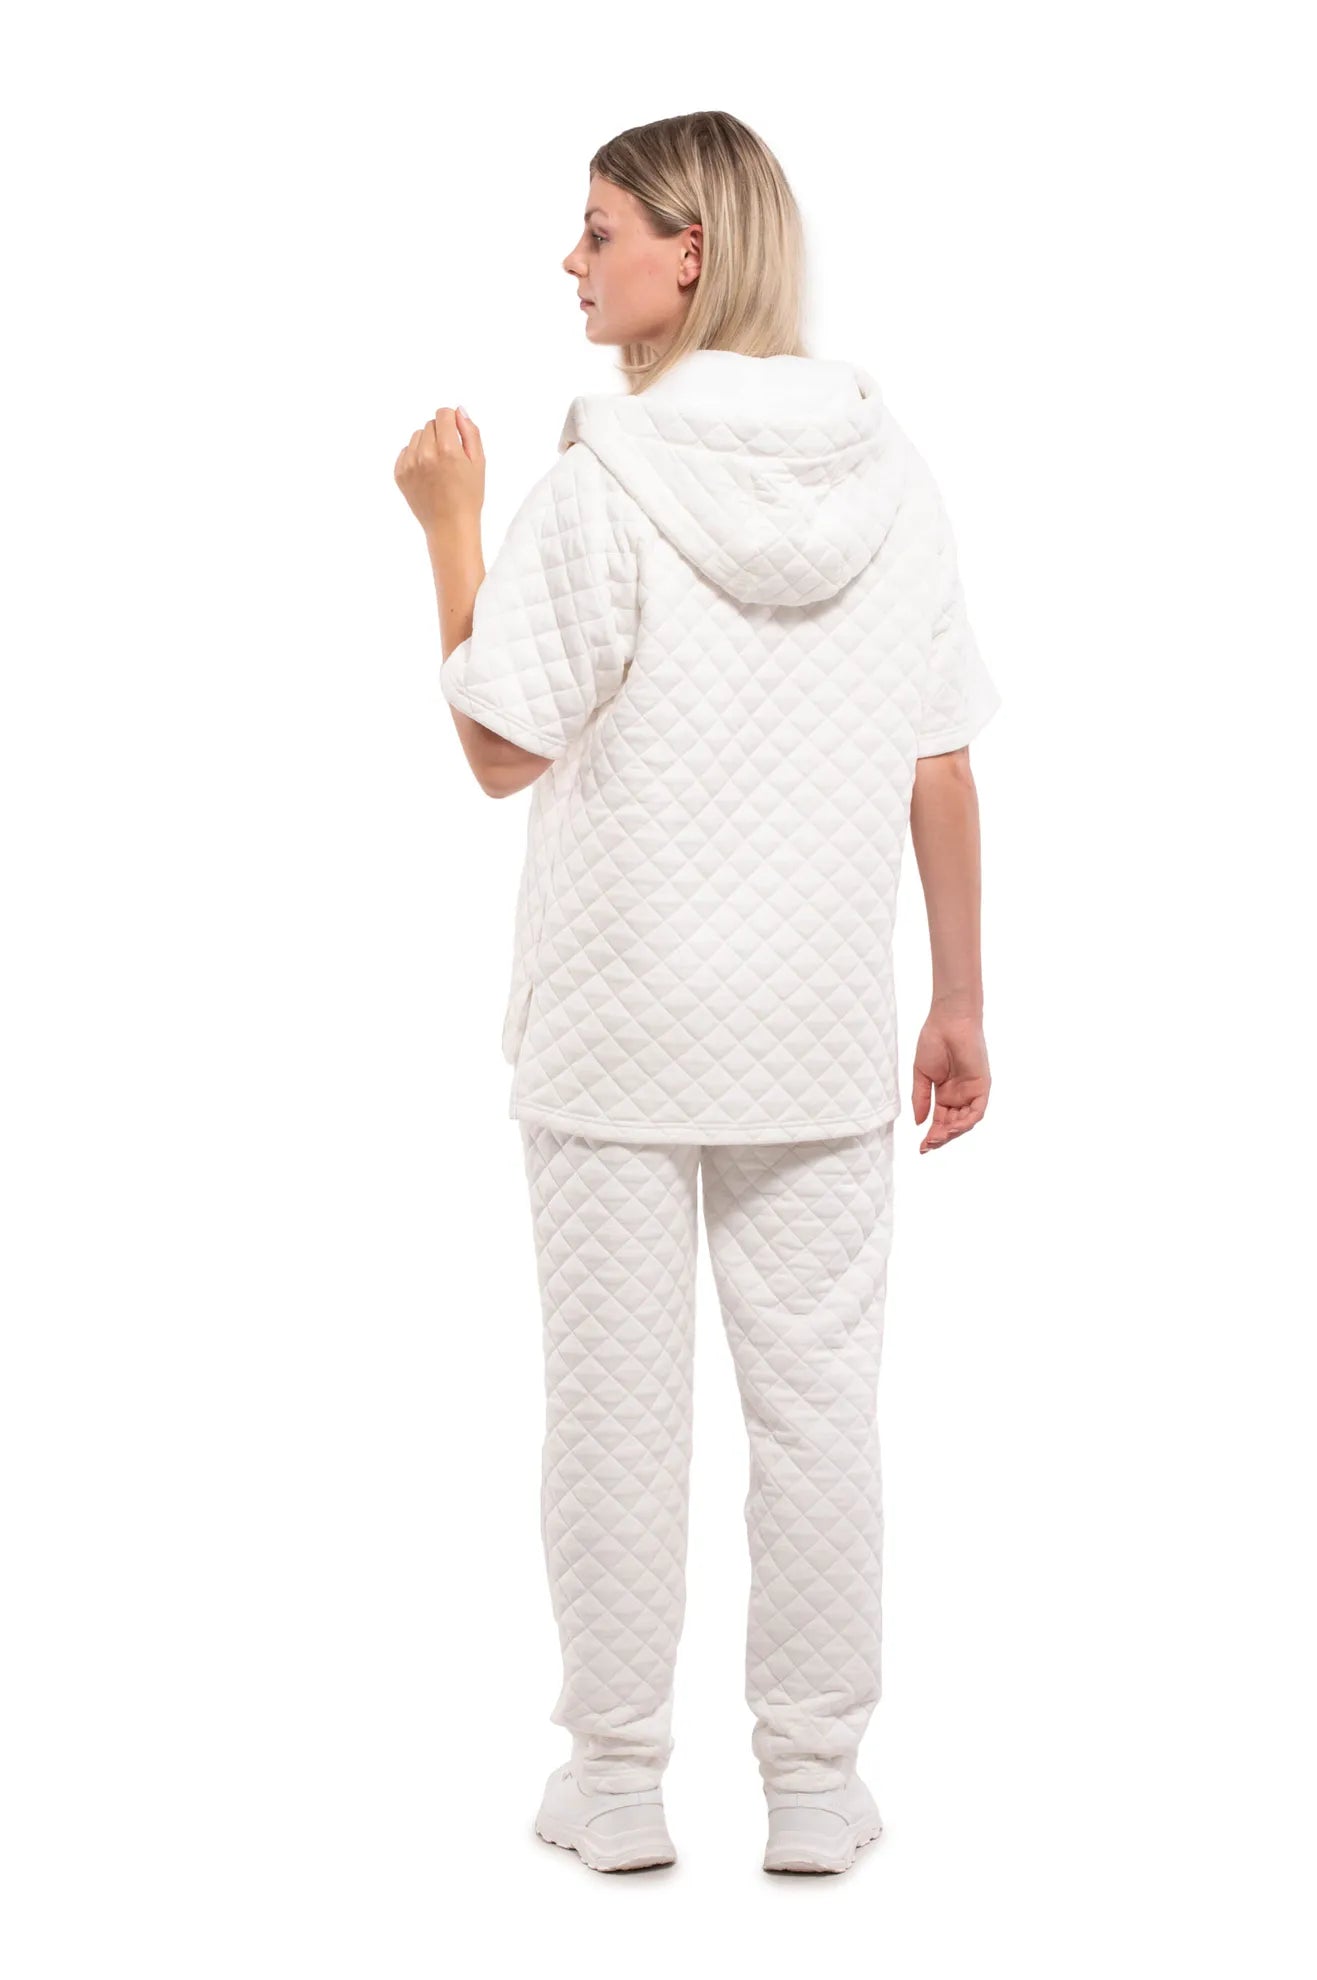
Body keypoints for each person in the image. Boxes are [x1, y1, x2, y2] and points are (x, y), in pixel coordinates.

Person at [395, 110, 999, 1877]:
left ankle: (616, 1783)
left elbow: (499, 746)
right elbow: (939, 761)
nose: (569, 261)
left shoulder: (602, 481)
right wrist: (958, 998)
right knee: (818, 1417)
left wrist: (448, 525)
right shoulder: (893, 476)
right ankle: (812, 1784)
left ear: (692, 251)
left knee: (612, 1417)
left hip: (615, 1033)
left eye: (597, 230)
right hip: (813, 1029)